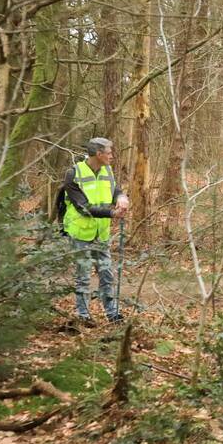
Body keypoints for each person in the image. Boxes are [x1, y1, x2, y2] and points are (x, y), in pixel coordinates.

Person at [60, 137, 129, 326]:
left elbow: (114, 190)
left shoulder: (107, 170)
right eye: (109, 153)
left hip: (101, 233)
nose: (112, 156)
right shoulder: (73, 174)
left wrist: (121, 197)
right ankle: (83, 316)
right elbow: (84, 207)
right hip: (80, 233)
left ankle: (113, 315)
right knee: (83, 276)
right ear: (98, 154)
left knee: (107, 274)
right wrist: (112, 213)